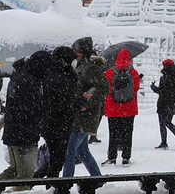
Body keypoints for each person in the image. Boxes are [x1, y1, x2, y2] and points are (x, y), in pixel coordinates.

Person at [0, 51, 46, 183]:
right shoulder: (27, 80)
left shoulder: (25, 78)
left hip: (21, 134)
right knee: (25, 174)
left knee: (17, 170)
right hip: (22, 135)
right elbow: (26, 109)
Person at [63, 37, 107, 178]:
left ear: (82, 53)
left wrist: (87, 103)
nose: (73, 53)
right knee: (82, 152)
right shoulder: (78, 67)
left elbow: (104, 88)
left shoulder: (90, 68)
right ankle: (97, 178)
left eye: (75, 51)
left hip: (84, 117)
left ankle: (66, 182)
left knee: (69, 151)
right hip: (78, 115)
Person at [36, 46, 77, 177]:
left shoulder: (54, 74)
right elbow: (64, 102)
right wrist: (81, 101)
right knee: (57, 159)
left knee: (57, 159)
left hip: (55, 123)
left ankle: (44, 182)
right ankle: (41, 182)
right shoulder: (58, 77)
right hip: (57, 123)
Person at [103, 49, 142, 166]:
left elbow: (107, 89)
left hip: (113, 109)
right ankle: (126, 157)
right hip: (129, 109)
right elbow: (136, 89)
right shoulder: (133, 73)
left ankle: (112, 157)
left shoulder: (110, 72)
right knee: (128, 134)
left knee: (113, 133)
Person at [152, 59, 175, 149]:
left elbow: (162, 91)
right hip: (172, 102)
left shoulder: (164, 77)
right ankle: (173, 139)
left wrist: (155, 88)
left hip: (163, 102)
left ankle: (167, 141)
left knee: (163, 123)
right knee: (167, 121)